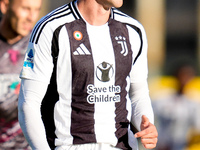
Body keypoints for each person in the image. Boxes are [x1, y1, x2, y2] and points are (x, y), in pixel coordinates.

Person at [18, 0, 158, 149]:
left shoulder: (133, 30)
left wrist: (147, 126)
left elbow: (138, 95)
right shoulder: (51, 28)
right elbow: (28, 104)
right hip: (68, 145)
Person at [0, 0, 42, 149]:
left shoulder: (41, 47)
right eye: (25, 8)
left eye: (36, 10)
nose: (31, 17)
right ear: (5, 6)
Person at [153, 61, 200, 150]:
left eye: (188, 76)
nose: (184, 79)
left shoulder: (194, 101)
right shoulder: (162, 98)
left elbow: (197, 127)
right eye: (182, 75)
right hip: (161, 145)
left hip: (182, 146)